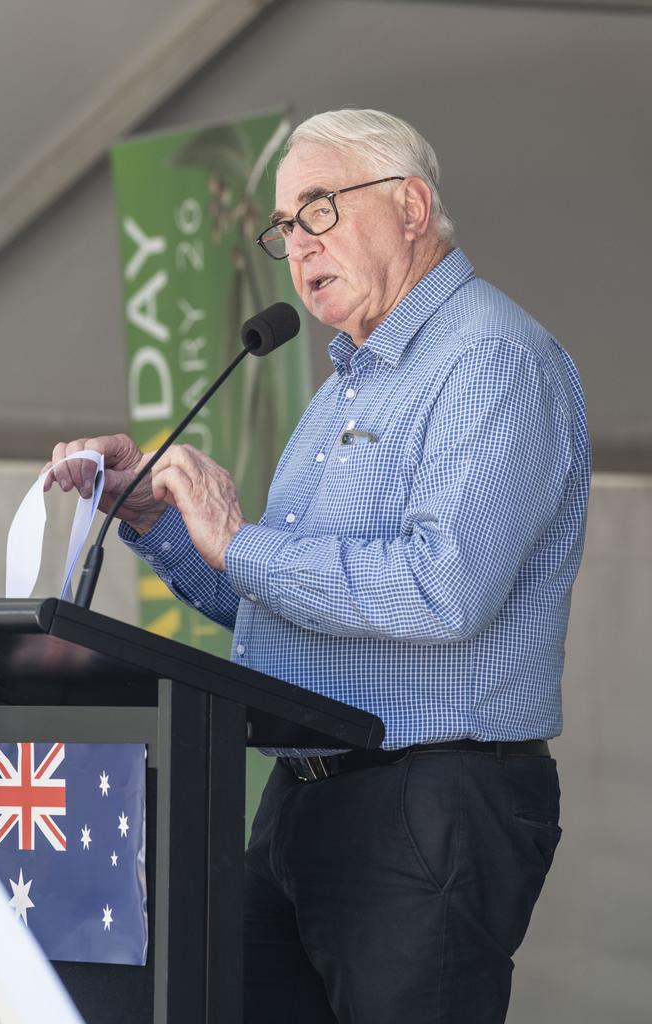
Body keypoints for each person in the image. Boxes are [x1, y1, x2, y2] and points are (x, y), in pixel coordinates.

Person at [48, 109, 590, 1023]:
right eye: (284, 229)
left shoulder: (491, 361)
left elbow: (442, 589)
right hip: (300, 799)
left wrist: (242, 540)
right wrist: (163, 523)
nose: (296, 246)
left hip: (431, 801)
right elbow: (277, 602)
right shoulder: (346, 383)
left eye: (319, 210)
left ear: (411, 206)